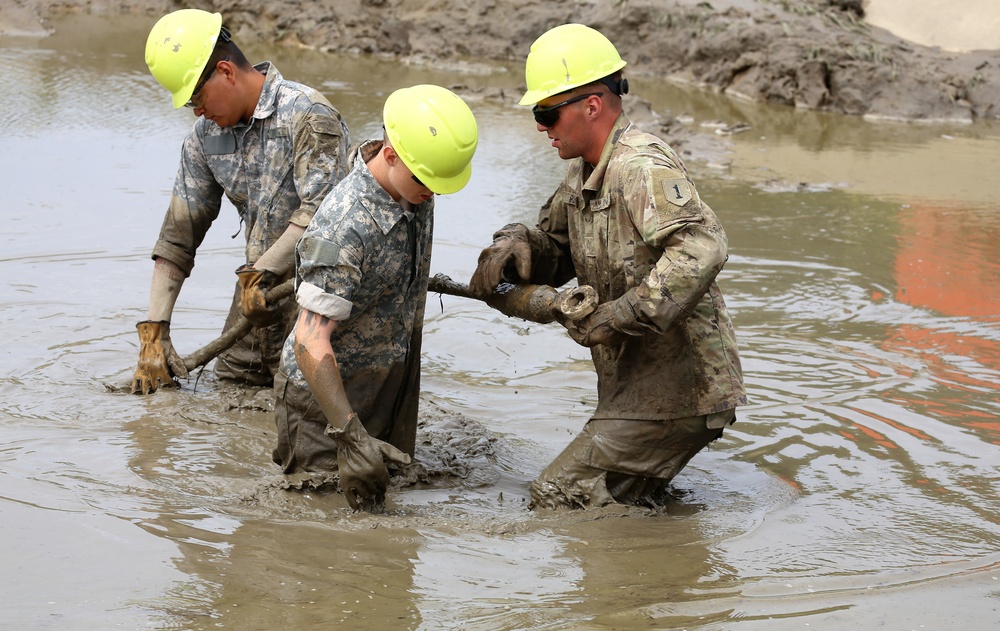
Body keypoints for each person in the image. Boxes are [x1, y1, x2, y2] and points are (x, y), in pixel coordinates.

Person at [469, 23, 747, 510]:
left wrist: (619, 315)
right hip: (639, 390)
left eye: (547, 113)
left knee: (558, 495)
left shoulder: (639, 167)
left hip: (680, 390)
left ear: (591, 106)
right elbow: (554, 248)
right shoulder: (581, 172)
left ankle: (630, 581)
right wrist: (513, 242)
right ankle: (665, 571)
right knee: (622, 501)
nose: (541, 127)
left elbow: (703, 247)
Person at [273, 84, 479, 512]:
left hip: (386, 381)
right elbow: (309, 341)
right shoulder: (343, 227)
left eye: (441, 183)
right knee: (318, 521)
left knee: (381, 512)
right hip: (324, 404)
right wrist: (349, 434)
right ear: (389, 156)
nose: (433, 192)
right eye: (426, 180)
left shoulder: (414, 184)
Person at [131, 8, 349, 395]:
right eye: (189, 105)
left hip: (315, 299)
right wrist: (154, 333)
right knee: (227, 393)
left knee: (300, 409)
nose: (197, 111)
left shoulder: (307, 115)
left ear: (226, 72)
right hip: (253, 300)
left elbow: (320, 215)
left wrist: (260, 273)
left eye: (197, 97)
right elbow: (178, 237)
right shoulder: (203, 139)